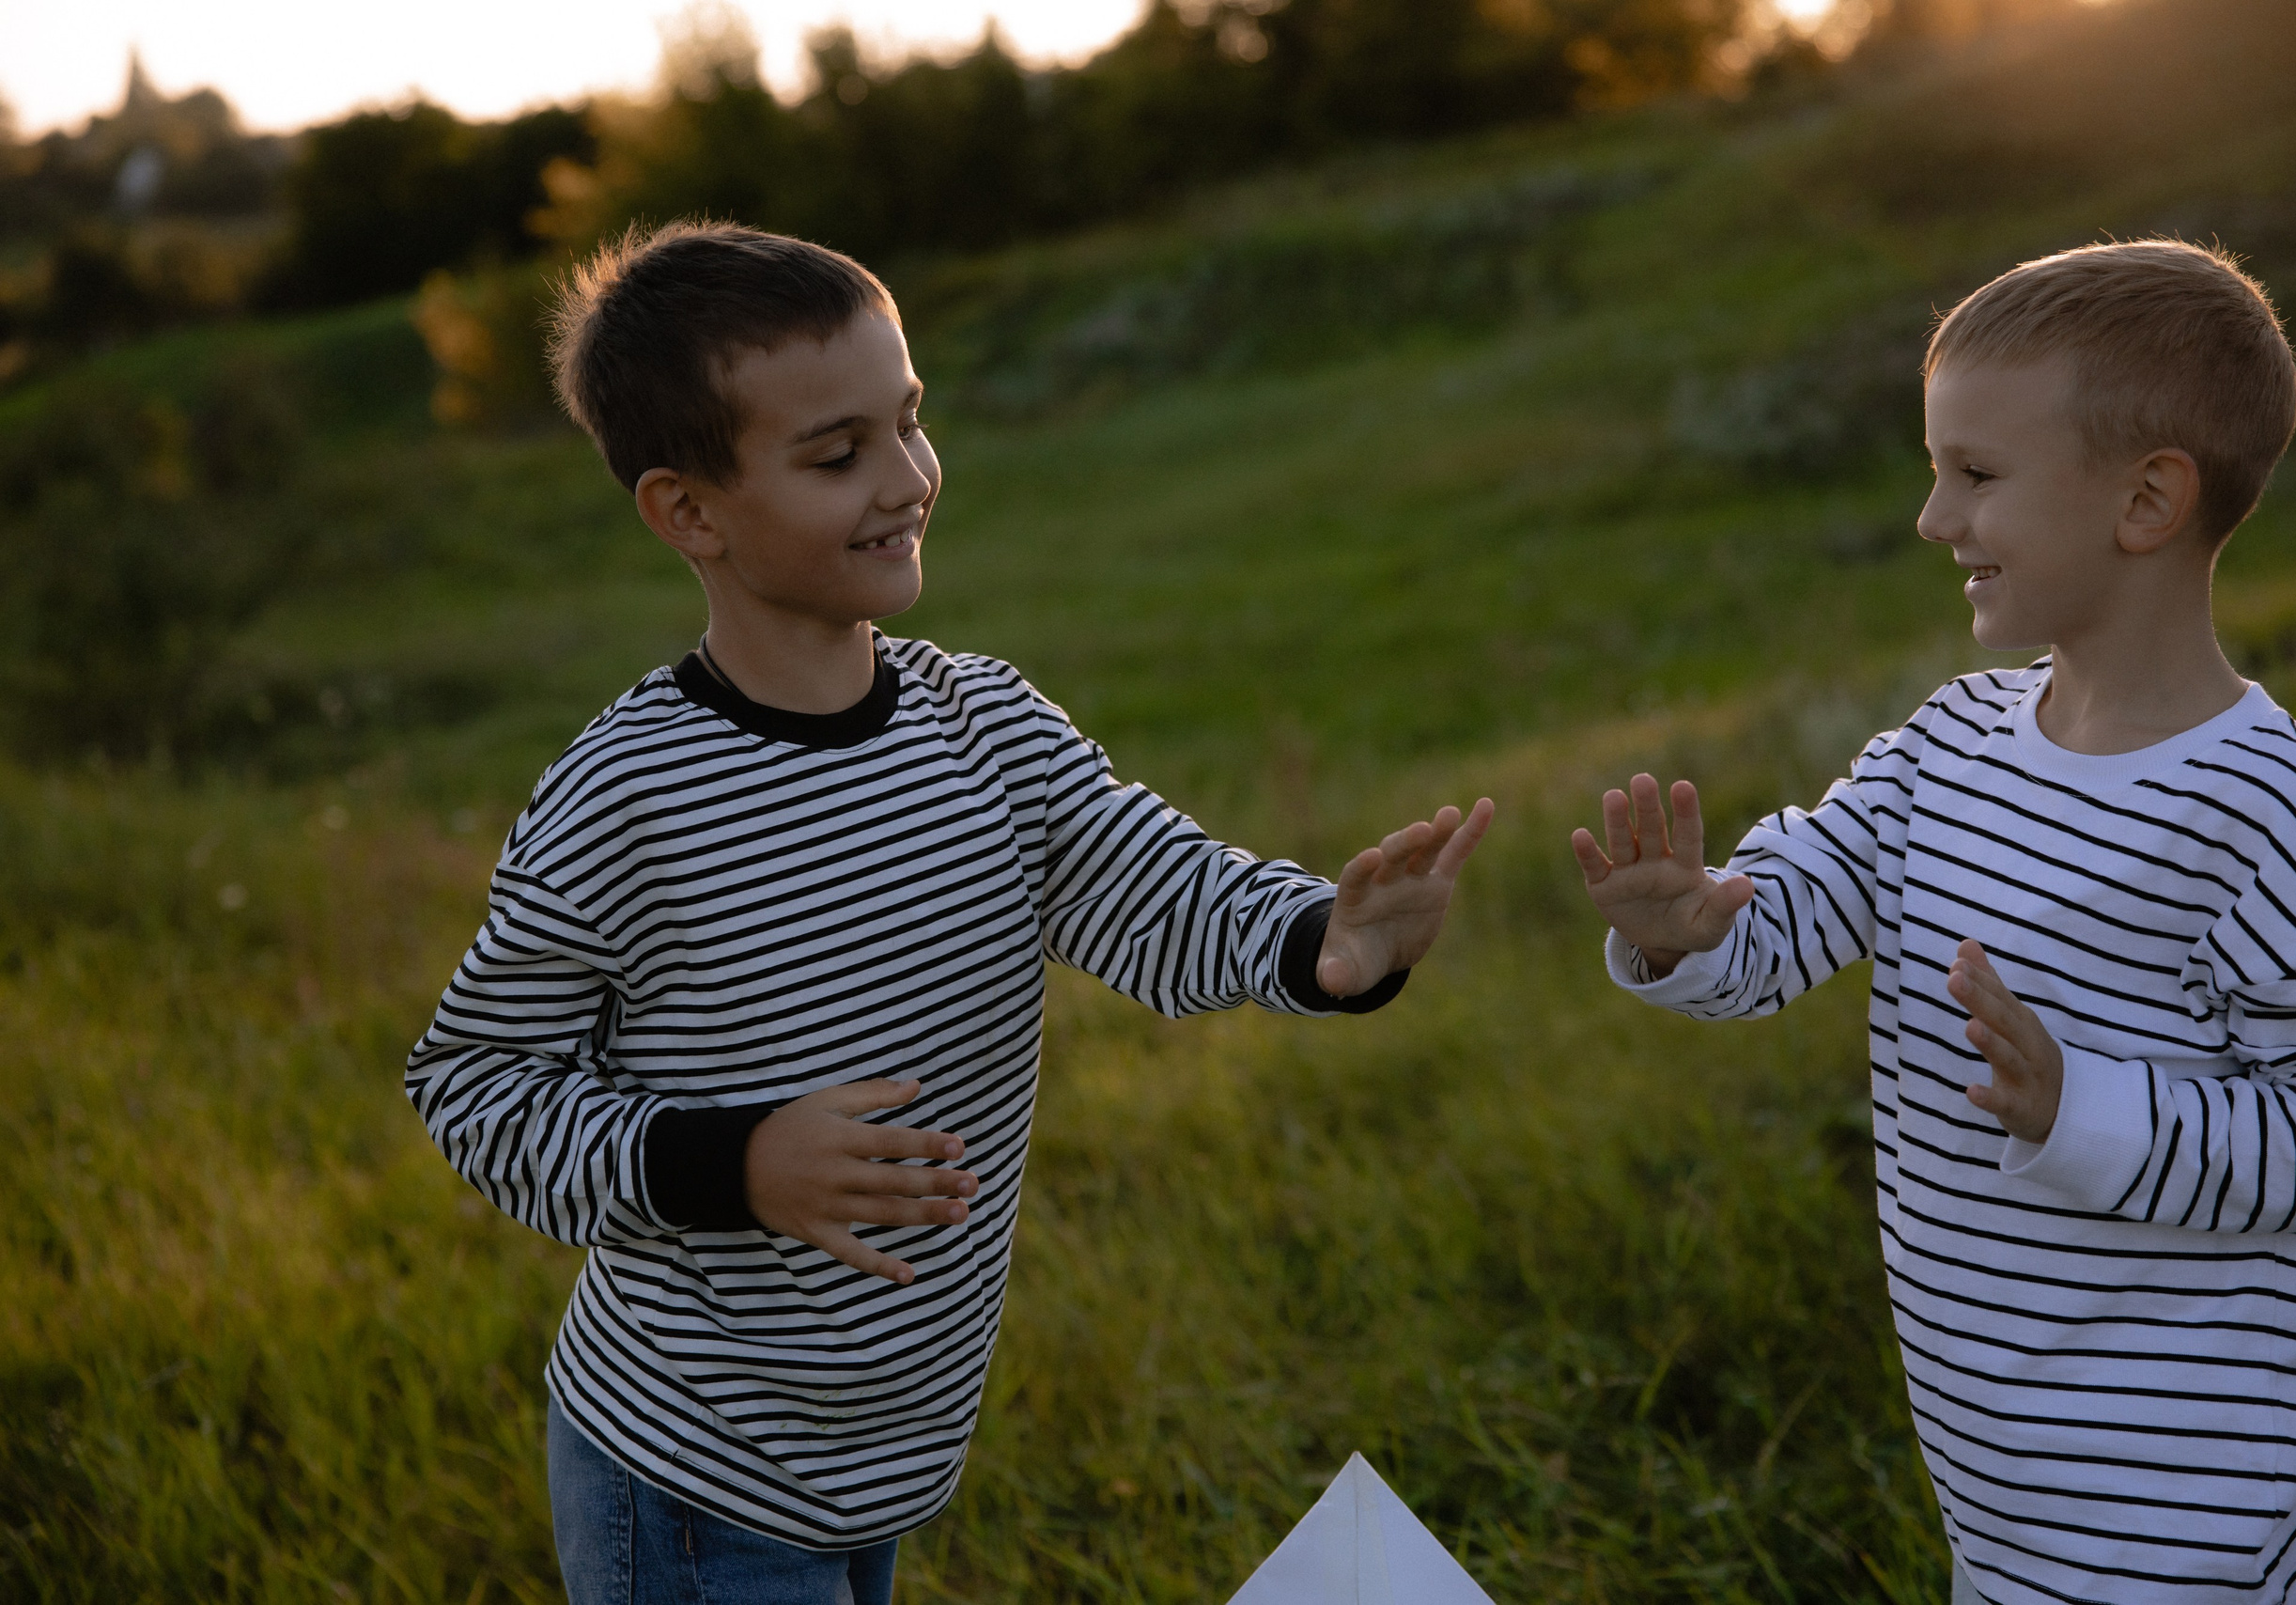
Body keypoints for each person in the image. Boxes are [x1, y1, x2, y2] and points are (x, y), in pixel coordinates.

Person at [405, 220, 1494, 1605]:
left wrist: (1321, 948)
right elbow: (475, 1088)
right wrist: (735, 1164)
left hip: (884, 1453)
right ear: (691, 512)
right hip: (689, 1475)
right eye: (836, 454)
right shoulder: (629, 794)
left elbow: (1156, 888)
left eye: (909, 424)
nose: (907, 480)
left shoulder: (987, 727)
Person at [1575, 241, 2296, 1604]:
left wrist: (2088, 1109)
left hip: (2184, 1506)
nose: (1931, 519)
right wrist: (1696, 928)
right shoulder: (1946, 746)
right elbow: (1791, 917)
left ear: (2147, 499)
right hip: (2001, 1476)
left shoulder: (2272, 812)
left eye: (1975, 475)